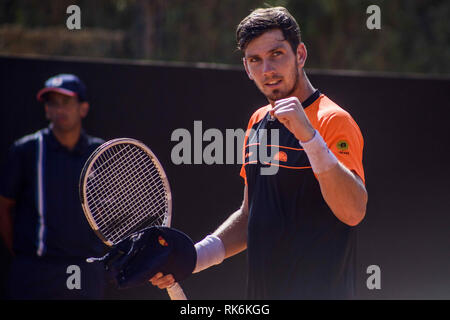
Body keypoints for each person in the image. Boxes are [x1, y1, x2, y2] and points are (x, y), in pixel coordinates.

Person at [150, 7, 368, 299]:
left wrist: (310, 138)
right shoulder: (257, 121)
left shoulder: (333, 120)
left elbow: (353, 212)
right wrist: (193, 259)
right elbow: (249, 215)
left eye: (277, 54)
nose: (267, 70)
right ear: (246, 67)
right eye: (256, 60)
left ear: (300, 55)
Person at [0, 74, 108, 299]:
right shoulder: (26, 150)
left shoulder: (99, 153)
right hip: (34, 271)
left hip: (84, 271)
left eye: (67, 102)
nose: (60, 110)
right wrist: (25, 257)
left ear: (83, 108)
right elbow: (4, 207)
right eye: (53, 103)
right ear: (46, 110)